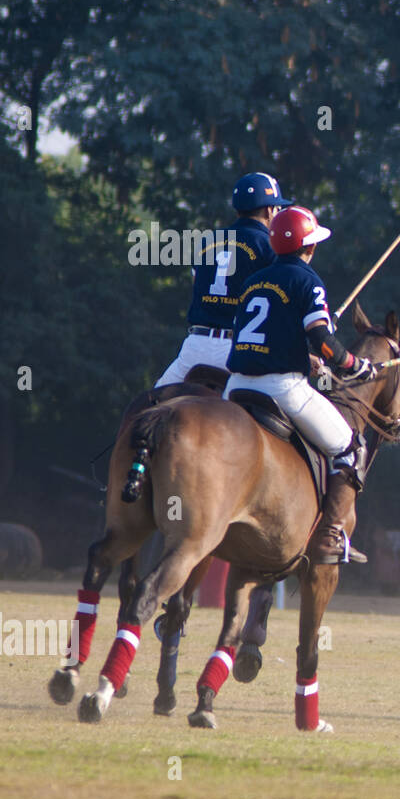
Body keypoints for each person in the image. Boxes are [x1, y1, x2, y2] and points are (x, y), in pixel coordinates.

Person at [223, 205, 377, 564]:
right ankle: (330, 536)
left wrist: (301, 352)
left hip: (234, 387)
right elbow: (322, 339)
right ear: (308, 247)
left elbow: (256, 336)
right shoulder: (308, 281)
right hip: (281, 388)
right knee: (351, 450)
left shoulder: (254, 280)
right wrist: (354, 365)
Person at [154, 172, 292, 388]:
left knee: (150, 406)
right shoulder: (270, 246)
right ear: (268, 210)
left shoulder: (209, 241)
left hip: (194, 348)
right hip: (240, 350)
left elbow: (197, 285)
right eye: (278, 208)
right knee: (289, 414)